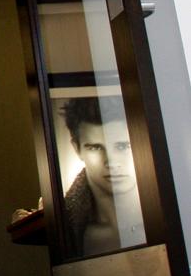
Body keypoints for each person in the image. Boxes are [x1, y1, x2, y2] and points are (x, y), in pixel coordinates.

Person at [60, 96, 145, 257]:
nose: (111, 161)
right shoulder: (68, 230)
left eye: (122, 146)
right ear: (77, 149)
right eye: (95, 148)